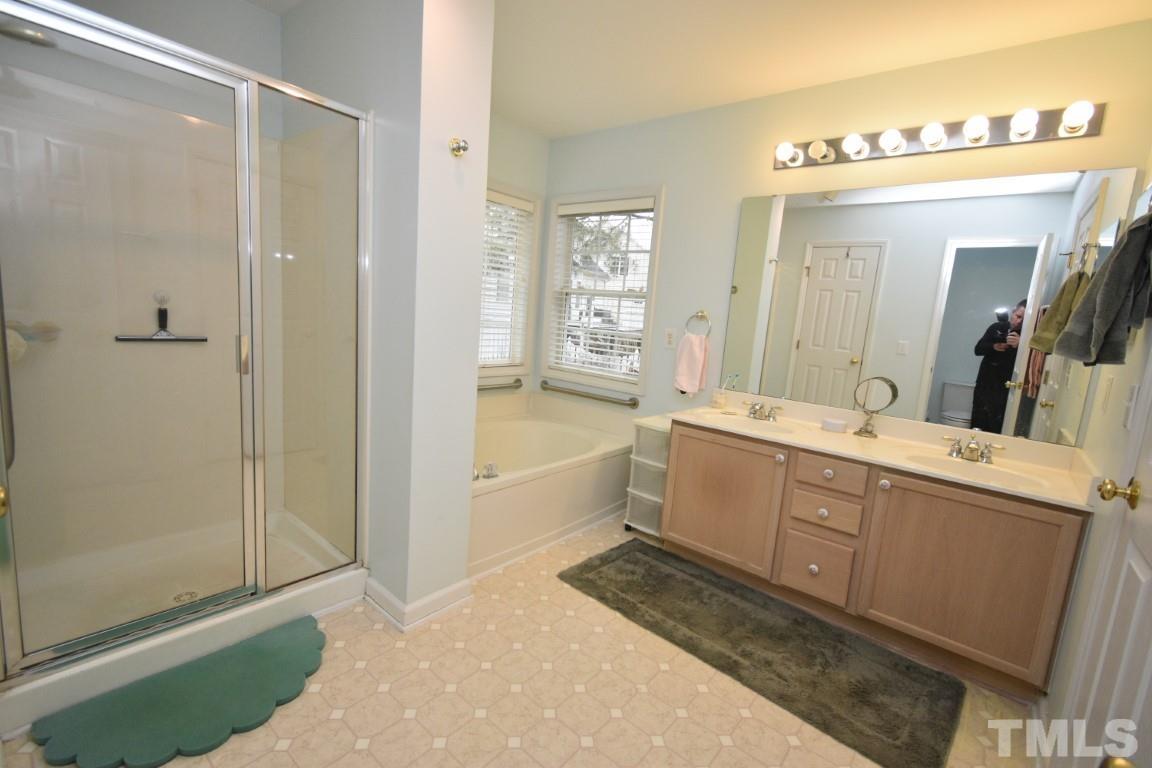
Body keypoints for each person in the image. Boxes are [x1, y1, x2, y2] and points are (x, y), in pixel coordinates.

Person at [971, 300, 1026, 433]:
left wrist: (1020, 345)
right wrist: (994, 346)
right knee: (978, 422)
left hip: (1006, 388)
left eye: (1023, 319)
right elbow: (977, 349)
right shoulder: (997, 327)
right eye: (1018, 316)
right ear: (1013, 312)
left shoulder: (1026, 337)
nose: (1018, 322)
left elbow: (1028, 362)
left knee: (998, 426)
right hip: (985, 383)